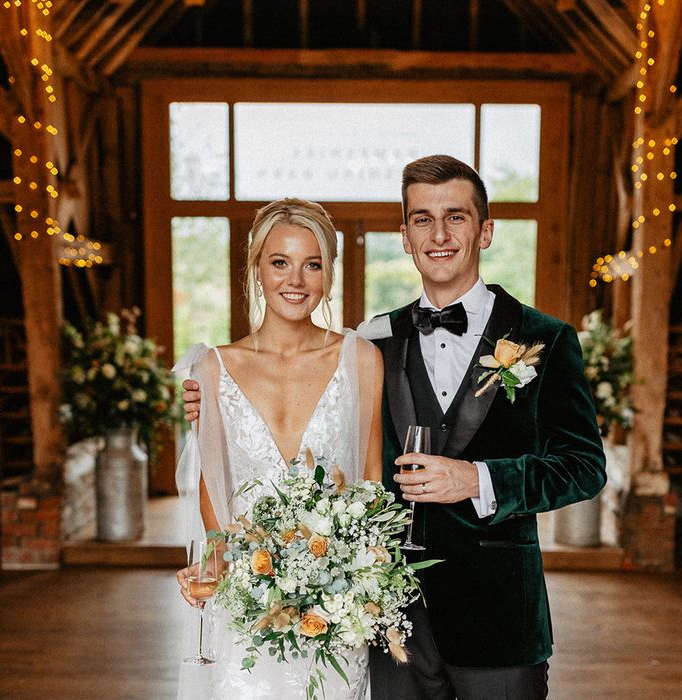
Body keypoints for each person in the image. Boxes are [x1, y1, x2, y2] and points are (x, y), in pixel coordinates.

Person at [183, 155, 606, 699]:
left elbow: (584, 468)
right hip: (385, 622)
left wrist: (477, 479)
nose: (439, 234)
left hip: (497, 619)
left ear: (486, 230)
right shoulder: (371, 344)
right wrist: (211, 401)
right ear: (405, 236)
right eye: (422, 219)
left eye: (455, 216)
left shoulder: (544, 339)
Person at [175, 198, 384, 699]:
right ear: (257, 269)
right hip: (246, 606)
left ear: (328, 274)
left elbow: (371, 479)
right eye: (280, 262)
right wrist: (216, 554)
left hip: (335, 612)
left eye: (312, 264)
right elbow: (212, 484)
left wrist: (359, 572)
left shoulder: (360, 359)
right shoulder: (212, 368)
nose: (296, 279)